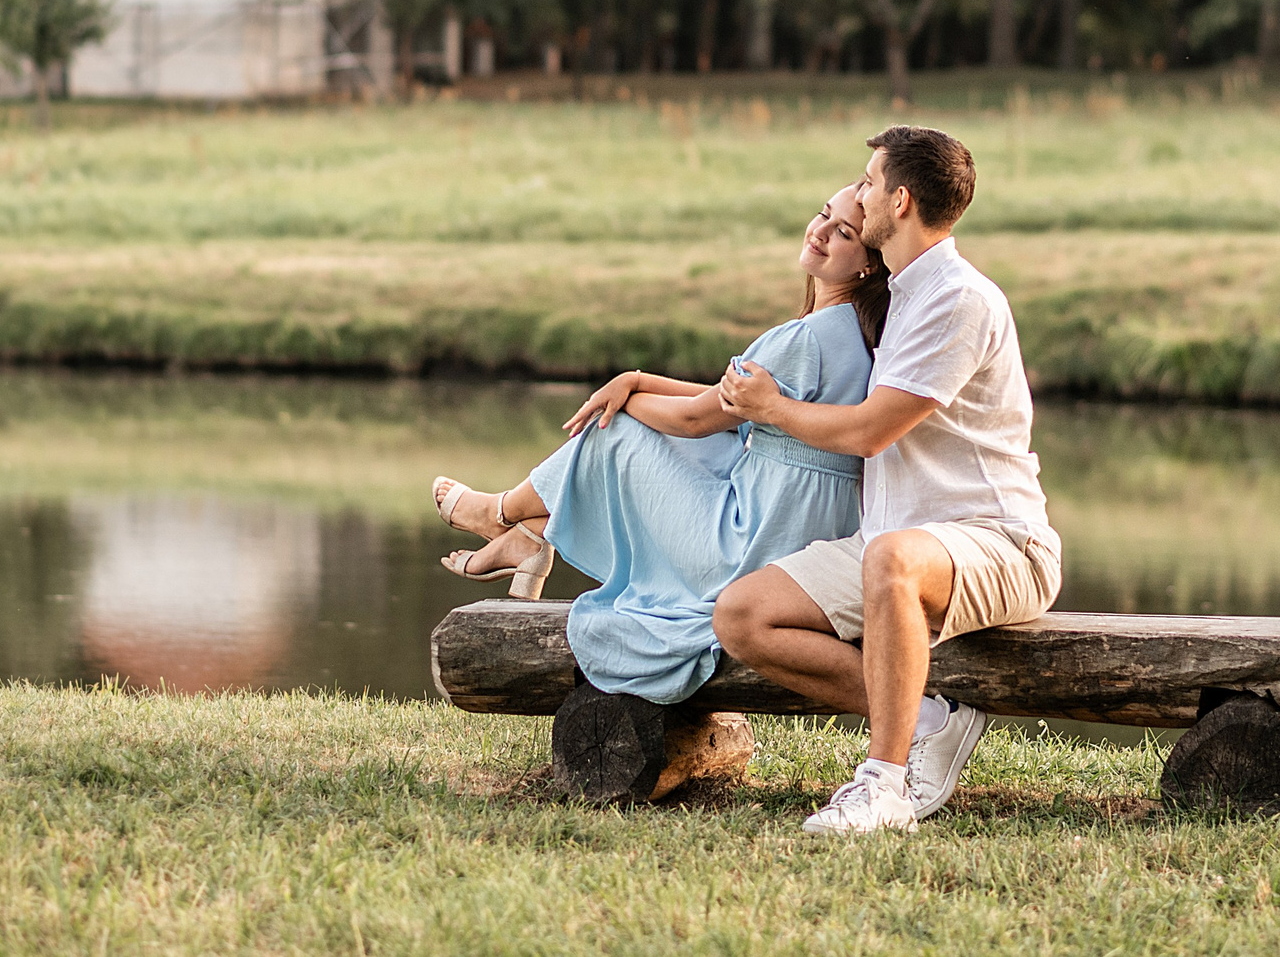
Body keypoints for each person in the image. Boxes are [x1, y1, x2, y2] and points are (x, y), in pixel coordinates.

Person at [712, 124, 1061, 833]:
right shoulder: (902, 293)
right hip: (892, 545)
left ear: (899, 201)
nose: (859, 194)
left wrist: (774, 409)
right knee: (741, 615)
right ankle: (929, 717)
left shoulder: (959, 299)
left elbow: (874, 429)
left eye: (868, 183)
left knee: (893, 557)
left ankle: (885, 783)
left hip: (999, 544)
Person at [429, 184, 891, 705]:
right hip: (799, 531)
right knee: (648, 428)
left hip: (751, 549)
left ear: (869, 265)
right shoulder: (853, 334)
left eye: (844, 232)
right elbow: (727, 404)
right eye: (824, 214)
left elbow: (696, 419)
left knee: (619, 432)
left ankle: (506, 515)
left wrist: (624, 399)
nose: (821, 231)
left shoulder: (802, 340)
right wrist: (638, 379)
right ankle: (528, 530)